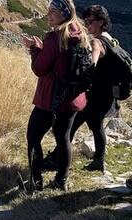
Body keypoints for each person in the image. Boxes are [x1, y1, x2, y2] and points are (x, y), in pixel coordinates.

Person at [22, 0, 90, 191]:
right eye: (48, 10)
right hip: (73, 97)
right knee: (63, 137)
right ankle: (62, 181)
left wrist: (34, 49)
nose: (49, 15)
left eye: (53, 11)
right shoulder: (78, 31)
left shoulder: (55, 37)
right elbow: (61, 61)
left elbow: (39, 68)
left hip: (51, 99)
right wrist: (44, 50)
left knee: (33, 136)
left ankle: (35, 182)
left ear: (65, 13)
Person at [43, 5, 118, 173]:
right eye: (86, 21)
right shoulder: (111, 39)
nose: (87, 25)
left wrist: (83, 67)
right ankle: (99, 160)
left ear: (101, 22)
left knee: (68, 129)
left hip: (95, 96)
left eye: (90, 21)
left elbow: (92, 63)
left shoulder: (97, 42)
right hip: (106, 96)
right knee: (96, 126)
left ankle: (57, 162)